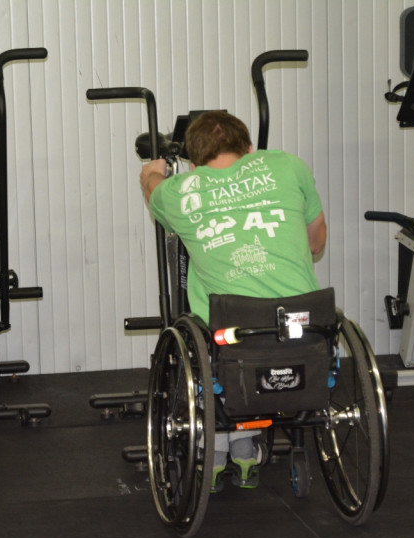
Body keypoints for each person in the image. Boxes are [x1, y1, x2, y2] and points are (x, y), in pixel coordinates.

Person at [139, 110, 328, 491]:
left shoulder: (180, 192)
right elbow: (315, 243)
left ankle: (219, 448)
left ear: (194, 164)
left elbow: (153, 186)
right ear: (250, 149)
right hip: (302, 329)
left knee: (206, 334)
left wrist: (152, 172)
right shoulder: (288, 166)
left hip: (232, 339)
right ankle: (243, 445)